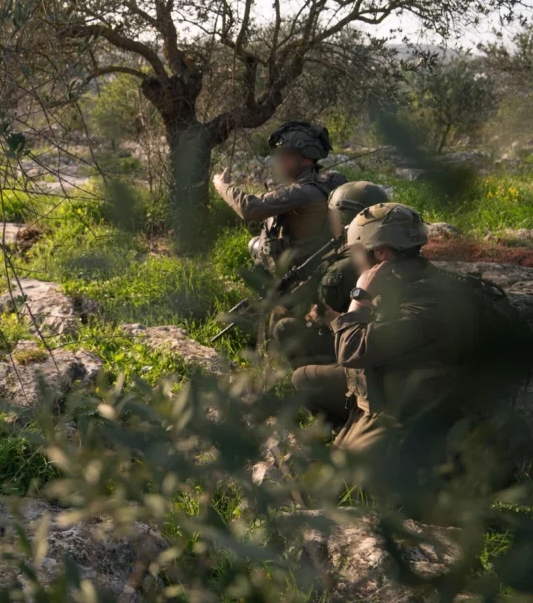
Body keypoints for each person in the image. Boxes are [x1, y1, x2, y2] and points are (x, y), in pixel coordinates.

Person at [299, 203, 523, 474]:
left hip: (412, 410)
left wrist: (359, 296)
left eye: (359, 251)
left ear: (380, 252)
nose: (355, 259)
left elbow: (351, 351)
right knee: (304, 380)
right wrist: (337, 316)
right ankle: (353, 430)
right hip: (383, 384)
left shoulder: (426, 303)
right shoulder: (404, 278)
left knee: (340, 480)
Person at [273, 181, 389, 368]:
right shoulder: (382, 248)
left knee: (284, 328)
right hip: (377, 334)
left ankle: (312, 379)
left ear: (344, 219)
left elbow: (321, 314)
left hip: (356, 345)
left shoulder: (343, 267)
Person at [213, 121, 348, 275]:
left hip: (300, 268)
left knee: (257, 247)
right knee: (255, 244)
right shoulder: (323, 182)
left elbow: (249, 208)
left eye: (286, 155)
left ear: (306, 158)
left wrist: (221, 185)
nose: (280, 160)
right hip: (313, 258)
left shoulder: (303, 191)